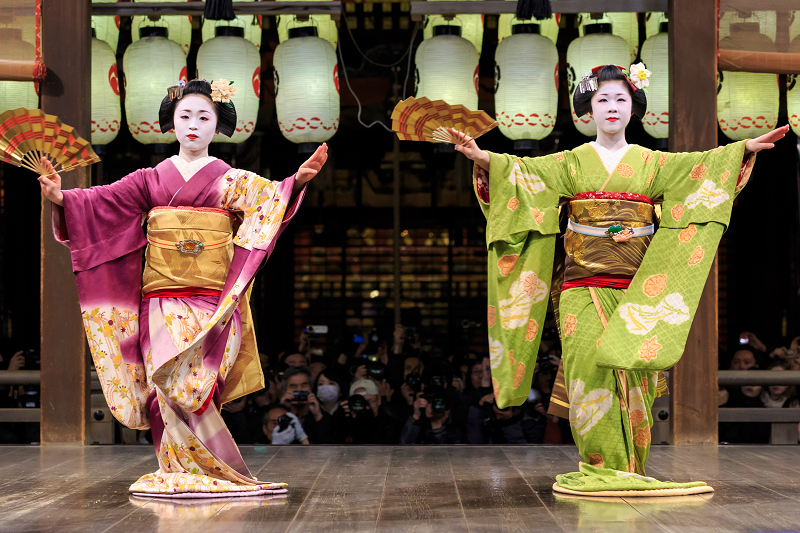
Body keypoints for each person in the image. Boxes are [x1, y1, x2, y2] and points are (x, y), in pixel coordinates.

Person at [451, 63, 788, 495]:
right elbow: (521, 175)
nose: (612, 107)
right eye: (603, 100)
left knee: (638, 381)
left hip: (637, 291)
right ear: (587, 110)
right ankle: (598, 468)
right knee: (589, 378)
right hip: (581, 290)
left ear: (634, 109)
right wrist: (482, 157)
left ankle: (631, 469)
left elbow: (702, 169)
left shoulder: (653, 163)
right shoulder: (570, 162)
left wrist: (742, 149)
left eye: (621, 99)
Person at [39, 79, 328, 498]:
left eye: (204, 117)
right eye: (185, 116)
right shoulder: (149, 179)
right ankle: (173, 469)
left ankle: (210, 470)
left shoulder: (231, 179)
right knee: (163, 381)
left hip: (212, 302)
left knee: (197, 383)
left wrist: (296, 181)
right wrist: (63, 198)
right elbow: (101, 201)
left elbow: (270, 200)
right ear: (171, 123)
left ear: (218, 126)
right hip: (159, 299)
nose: (193, 125)